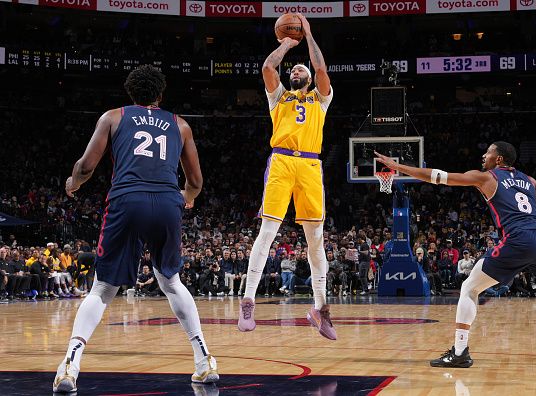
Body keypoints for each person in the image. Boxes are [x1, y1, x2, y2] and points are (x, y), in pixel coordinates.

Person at [53, 65, 218, 393]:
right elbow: (196, 181)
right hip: (167, 201)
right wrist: (186, 197)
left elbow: (86, 166)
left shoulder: (113, 117)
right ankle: (204, 361)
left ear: (131, 92)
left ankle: (70, 364)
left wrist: (73, 181)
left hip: (128, 199)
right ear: (160, 93)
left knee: (102, 288)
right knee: (171, 282)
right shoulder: (180, 125)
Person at [375, 141, 536, 368]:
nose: (484, 155)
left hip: (519, 239)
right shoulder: (529, 181)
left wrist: (398, 167)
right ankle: (459, 352)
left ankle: (460, 353)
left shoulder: (487, 177)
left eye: (488, 152)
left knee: (470, 288)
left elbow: (437, 176)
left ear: (498, 159)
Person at [237, 14, 336, 340]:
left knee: (315, 241)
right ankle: (248, 300)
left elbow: (321, 69)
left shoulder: (320, 99)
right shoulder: (277, 97)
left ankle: (321, 309)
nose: (296, 71)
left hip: (309, 167)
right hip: (281, 162)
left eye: (300, 70)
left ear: (308, 78)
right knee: (266, 233)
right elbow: (268, 68)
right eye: (293, 69)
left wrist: (307, 35)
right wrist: (285, 44)